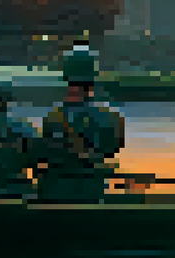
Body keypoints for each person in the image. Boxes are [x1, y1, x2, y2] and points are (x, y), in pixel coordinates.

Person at [31, 43, 125, 202]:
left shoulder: (53, 116)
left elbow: (45, 153)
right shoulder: (112, 117)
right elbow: (112, 150)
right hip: (92, 191)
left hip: (54, 192)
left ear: (66, 77)